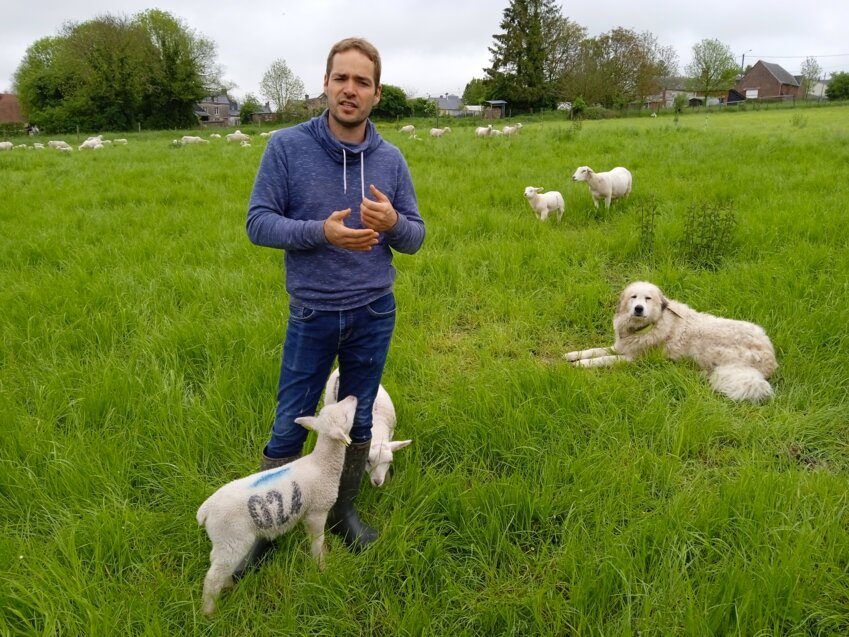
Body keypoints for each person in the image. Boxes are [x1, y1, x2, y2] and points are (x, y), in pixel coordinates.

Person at [238, 37, 425, 576]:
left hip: (373, 311)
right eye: (341, 78)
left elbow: (415, 237)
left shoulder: (390, 158)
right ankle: (265, 529)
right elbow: (258, 223)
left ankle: (342, 513)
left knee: (360, 416)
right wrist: (321, 232)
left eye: (361, 82)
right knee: (289, 423)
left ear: (376, 94)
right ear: (325, 84)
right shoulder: (286, 147)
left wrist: (393, 225)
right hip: (313, 313)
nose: (350, 90)